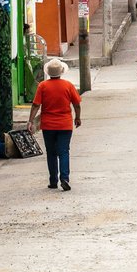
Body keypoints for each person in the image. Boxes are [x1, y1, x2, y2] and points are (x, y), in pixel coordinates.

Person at [27, 58, 82, 191]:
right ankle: (64, 178)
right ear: (61, 71)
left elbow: (35, 105)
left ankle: (53, 181)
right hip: (65, 125)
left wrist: (30, 121)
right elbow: (76, 104)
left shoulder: (43, 86)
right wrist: (77, 118)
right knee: (64, 151)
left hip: (48, 126)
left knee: (51, 153)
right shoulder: (68, 85)